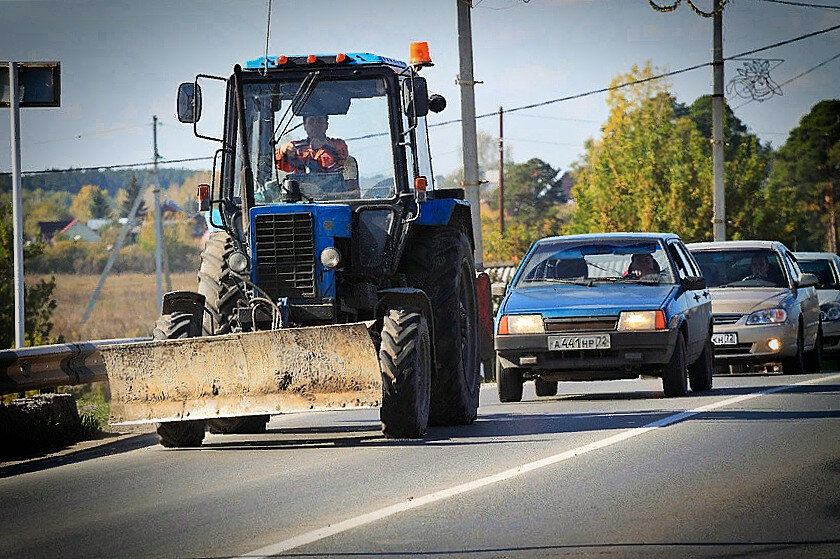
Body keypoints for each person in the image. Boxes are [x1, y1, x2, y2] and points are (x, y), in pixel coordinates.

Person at [275, 115, 359, 192]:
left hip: (335, 197)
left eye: (319, 121)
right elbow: (279, 165)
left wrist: (324, 147)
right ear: (304, 126)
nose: (316, 125)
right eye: (311, 121)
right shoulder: (297, 147)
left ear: (326, 125)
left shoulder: (337, 146)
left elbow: (339, 158)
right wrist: (283, 151)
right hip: (303, 197)